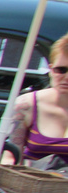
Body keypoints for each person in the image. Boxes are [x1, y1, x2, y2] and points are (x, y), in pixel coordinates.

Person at [7, 35, 68, 171]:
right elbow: (10, 155)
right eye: (61, 70)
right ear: (51, 70)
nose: (67, 77)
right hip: (32, 185)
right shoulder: (26, 104)